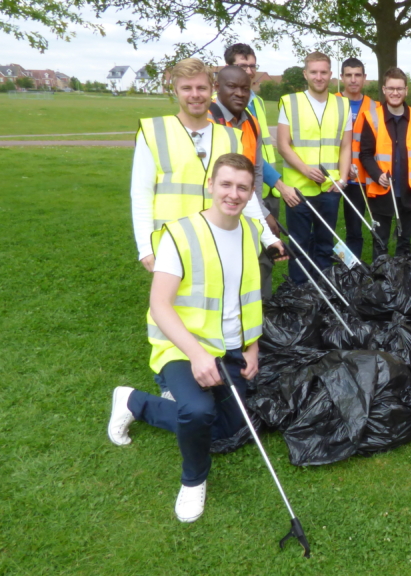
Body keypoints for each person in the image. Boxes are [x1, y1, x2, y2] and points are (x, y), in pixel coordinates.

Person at [109, 153, 285, 523]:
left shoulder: (251, 232)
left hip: (230, 347)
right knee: (198, 411)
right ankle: (193, 480)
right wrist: (196, 355)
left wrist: (252, 347)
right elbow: (159, 305)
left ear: (251, 191)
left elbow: (248, 296)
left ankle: (134, 402)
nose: (233, 194)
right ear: (210, 185)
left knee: (229, 428)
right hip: (180, 347)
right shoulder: (180, 234)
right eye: (226, 184)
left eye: (242, 187)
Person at [131, 58, 278, 277]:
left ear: (211, 89)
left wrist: (269, 238)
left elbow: (244, 197)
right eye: (186, 88)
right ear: (175, 91)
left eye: (201, 87)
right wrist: (145, 247)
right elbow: (141, 193)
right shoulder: (154, 132)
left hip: (221, 242)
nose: (195, 95)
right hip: (173, 245)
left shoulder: (231, 138)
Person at [208, 65, 293, 298]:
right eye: (232, 87)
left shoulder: (251, 122)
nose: (240, 93)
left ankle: (259, 313)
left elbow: (254, 173)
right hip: (215, 214)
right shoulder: (207, 120)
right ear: (217, 88)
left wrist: (263, 213)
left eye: (245, 88)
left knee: (255, 263)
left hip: (247, 205)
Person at [277, 51, 352, 284]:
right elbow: (282, 144)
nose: (319, 77)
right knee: (299, 245)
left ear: (330, 74)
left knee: (325, 244)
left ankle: (325, 289)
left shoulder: (343, 104)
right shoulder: (290, 102)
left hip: (330, 188)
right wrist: (305, 170)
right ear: (305, 74)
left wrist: (343, 180)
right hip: (297, 190)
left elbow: (346, 146)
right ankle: (300, 293)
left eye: (323, 72)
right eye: (314, 72)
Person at [358, 67, 411, 258]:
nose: (395, 93)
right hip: (381, 193)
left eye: (399, 88)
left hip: (409, 193)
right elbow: (365, 154)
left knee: (404, 243)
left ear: (406, 90)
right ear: (384, 89)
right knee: (380, 242)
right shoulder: (372, 117)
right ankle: (381, 284)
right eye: (391, 88)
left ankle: (401, 283)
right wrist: (377, 174)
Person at [224, 43, 281, 223]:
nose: (249, 72)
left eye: (252, 66)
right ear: (228, 68)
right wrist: (277, 182)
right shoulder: (219, 108)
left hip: (264, 188)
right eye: (243, 66)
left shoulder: (258, 102)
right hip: (240, 191)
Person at [335, 57, 379, 259]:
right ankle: (331, 271)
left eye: (358, 75)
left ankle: (354, 271)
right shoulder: (330, 102)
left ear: (364, 78)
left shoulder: (375, 107)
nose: (353, 80)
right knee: (327, 227)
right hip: (333, 176)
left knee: (356, 228)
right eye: (349, 75)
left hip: (362, 179)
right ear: (342, 77)